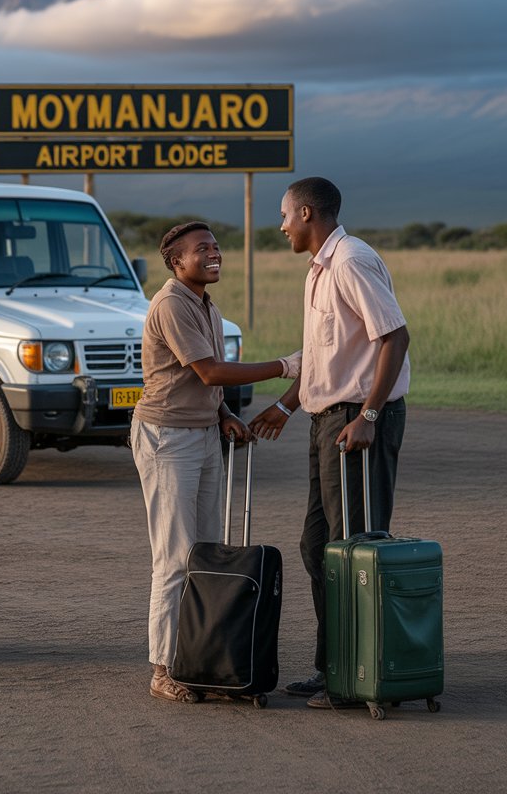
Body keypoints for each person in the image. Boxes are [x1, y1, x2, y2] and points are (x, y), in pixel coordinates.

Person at [249, 177, 410, 709]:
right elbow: (326, 354)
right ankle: (333, 665)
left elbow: (395, 336)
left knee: (353, 548)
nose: (281, 226)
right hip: (327, 420)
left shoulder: (350, 261)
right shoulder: (319, 269)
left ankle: (356, 676)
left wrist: (369, 414)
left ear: (307, 212)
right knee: (318, 547)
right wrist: (287, 404)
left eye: (285, 216)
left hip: (357, 421)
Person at [131, 221, 301, 702]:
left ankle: (203, 660)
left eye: (216, 246)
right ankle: (163, 667)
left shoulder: (205, 303)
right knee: (173, 558)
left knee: (204, 554)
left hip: (202, 434)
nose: (214, 254)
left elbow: (208, 383)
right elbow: (210, 371)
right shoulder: (171, 304)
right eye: (201, 249)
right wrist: (285, 366)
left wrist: (225, 413)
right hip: (167, 437)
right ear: (176, 261)